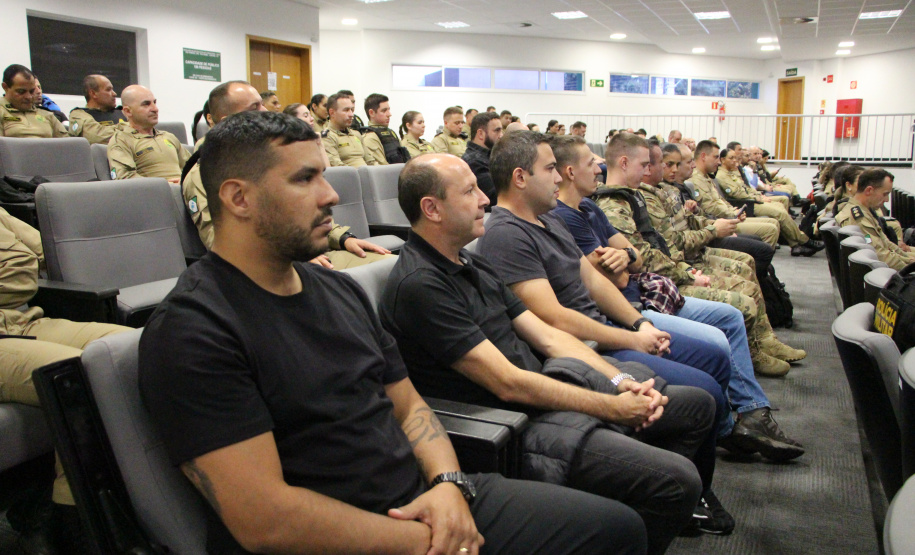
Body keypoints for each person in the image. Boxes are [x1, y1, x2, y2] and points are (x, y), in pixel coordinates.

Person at [140, 110, 646, 555]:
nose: (331, 194)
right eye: (305, 179)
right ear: (238, 198)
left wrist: (449, 486)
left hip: (428, 500)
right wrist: (426, 541)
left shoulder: (334, 289)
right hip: (341, 538)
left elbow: (408, 406)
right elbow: (266, 520)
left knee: (616, 529)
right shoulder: (194, 331)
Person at [381, 151, 717, 554]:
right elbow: (507, 383)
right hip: (514, 427)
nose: (485, 199)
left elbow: (548, 337)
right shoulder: (421, 285)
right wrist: (611, 407)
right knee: (677, 481)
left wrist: (620, 382)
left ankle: (629, 502)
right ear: (432, 209)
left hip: (549, 389)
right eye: (470, 191)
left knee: (697, 406)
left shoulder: (471, 262)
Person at [548, 135, 803, 462]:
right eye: (589, 164)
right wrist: (638, 280)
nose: (598, 169)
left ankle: (752, 412)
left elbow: (636, 257)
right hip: (633, 305)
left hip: (641, 295)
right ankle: (733, 426)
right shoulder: (575, 214)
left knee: (729, 319)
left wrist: (625, 255)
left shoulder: (591, 208)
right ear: (569, 172)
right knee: (717, 346)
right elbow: (617, 278)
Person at [594, 133, 804, 377]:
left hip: (673, 268)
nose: (653, 169)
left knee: (747, 265)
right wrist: (687, 270)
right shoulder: (615, 203)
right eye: (646, 165)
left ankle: (762, 342)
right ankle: (751, 361)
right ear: (624, 163)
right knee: (741, 302)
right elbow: (647, 256)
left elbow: (657, 245)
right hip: (657, 284)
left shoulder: (636, 194)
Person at [0, 207, 129, 552]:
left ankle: (40, 506)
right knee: (74, 373)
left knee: (132, 349)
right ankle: (72, 523)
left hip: (21, 320)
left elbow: (39, 251)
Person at [690, 141, 822, 257]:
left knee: (776, 217)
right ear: (703, 156)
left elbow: (723, 200)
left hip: (736, 210)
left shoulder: (708, 177)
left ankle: (794, 246)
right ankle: (765, 264)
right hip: (723, 219)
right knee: (772, 225)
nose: (718, 161)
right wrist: (733, 213)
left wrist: (735, 209)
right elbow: (711, 207)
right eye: (716, 157)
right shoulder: (701, 178)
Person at [107, 85, 190, 181]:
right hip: (155, 193)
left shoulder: (168, 137)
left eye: (154, 102)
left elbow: (193, 168)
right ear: (128, 111)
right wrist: (164, 184)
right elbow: (124, 179)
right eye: (146, 104)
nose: (155, 109)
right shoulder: (121, 140)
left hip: (184, 191)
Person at [837, 169, 915, 270]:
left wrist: (910, 260)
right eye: (885, 194)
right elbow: (880, 255)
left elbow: (887, 244)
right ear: (869, 190)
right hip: (883, 274)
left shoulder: (865, 212)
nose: (887, 200)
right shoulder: (858, 219)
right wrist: (909, 268)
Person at [0, 64, 68, 138]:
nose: (29, 97)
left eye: (32, 91)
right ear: (5, 87)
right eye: (21, 91)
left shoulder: (47, 115)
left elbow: (69, 146)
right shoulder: (2, 111)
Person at [321, 93, 378, 167]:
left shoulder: (356, 134)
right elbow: (337, 166)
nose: (351, 114)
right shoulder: (327, 137)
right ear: (332, 113)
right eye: (346, 110)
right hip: (350, 176)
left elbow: (370, 161)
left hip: (366, 175)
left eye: (352, 110)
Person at [69, 74, 126, 145]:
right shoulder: (80, 114)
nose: (114, 94)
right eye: (108, 90)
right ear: (93, 93)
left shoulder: (123, 112)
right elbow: (95, 137)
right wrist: (132, 129)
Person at [461, 112, 503, 207]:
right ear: (480, 134)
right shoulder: (474, 162)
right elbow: (496, 196)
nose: (501, 135)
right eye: (497, 131)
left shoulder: (489, 157)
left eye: (501, 131)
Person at [361, 93, 409, 164]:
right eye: (384, 111)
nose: (389, 114)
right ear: (371, 113)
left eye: (389, 110)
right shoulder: (370, 137)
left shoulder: (391, 133)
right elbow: (382, 168)